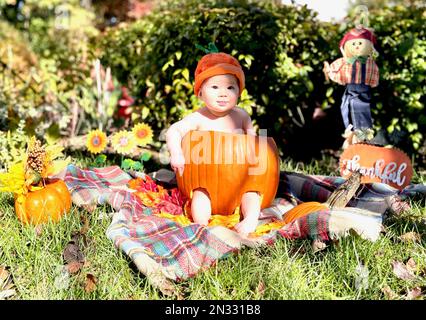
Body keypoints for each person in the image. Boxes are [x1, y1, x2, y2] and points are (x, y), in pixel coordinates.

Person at [166, 52, 260, 236]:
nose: (223, 93)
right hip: (206, 179)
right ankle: (202, 226)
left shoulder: (241, 116)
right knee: (200, 195)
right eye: (215, 87)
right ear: (200, 92)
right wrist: (176, 153)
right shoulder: (198, 118)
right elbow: (174, 131)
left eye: (231, 87)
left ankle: (250, 220)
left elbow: (254, 142)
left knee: (253, 193)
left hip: (239, 180)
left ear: (239, 93)